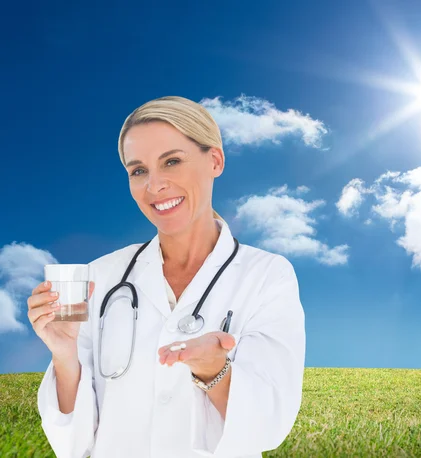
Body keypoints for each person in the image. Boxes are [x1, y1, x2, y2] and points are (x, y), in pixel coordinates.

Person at [30, 96, 306, 458]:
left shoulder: (267, 276)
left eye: (172, 161)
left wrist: (214, 371)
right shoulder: (102, 276)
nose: (154, 185)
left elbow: (270, 425)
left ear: (215, 161)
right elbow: (72, 444)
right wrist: (64, 356)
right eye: (138, 170)